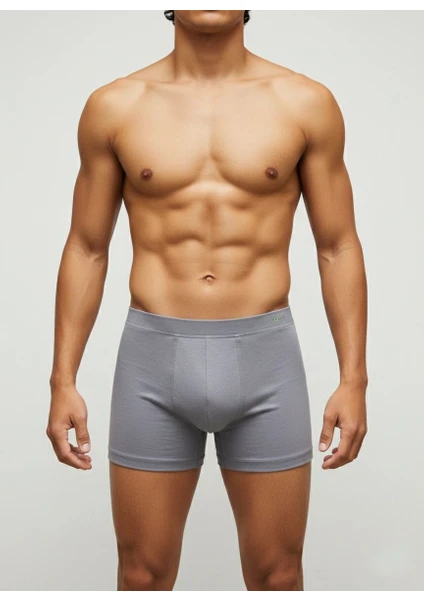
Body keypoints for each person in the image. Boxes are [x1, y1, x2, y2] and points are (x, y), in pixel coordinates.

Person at [46, 10, 368, 591]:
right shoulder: (116, 106)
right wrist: (62, 380)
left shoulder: (305, 102)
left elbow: (337, 245)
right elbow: (87, 247)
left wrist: (354, 379)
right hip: (153, 363)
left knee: (279, 576)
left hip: (266, 362)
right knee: (141, 575)